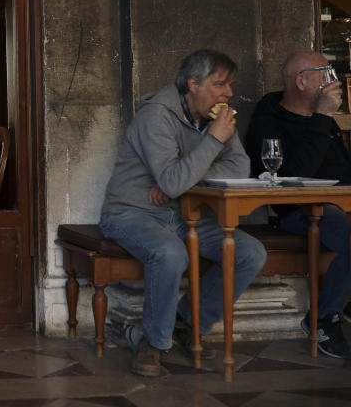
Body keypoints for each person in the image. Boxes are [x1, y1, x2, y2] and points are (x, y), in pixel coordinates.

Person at [99, 49, 267, 377]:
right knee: (170, 253)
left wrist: (185, 180)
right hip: (130, 213)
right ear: (193, 84)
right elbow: (172, 180)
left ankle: (183, 323)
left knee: (250, 252)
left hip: (183, 214)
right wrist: (210, 145)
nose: (228, 93)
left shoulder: (216, 117)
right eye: (220, 85)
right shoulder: (156, 115)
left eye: (229, 85)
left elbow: (240, 167)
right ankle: (154, 344)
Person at [244, 50, 351, 359]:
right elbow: (291, 178)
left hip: (340, 204)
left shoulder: (323, 120)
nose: (332, 81)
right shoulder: (270, 121)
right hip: (301, 211)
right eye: (324, 73)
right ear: (302, 81)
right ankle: (322, 318)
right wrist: (322, 117)